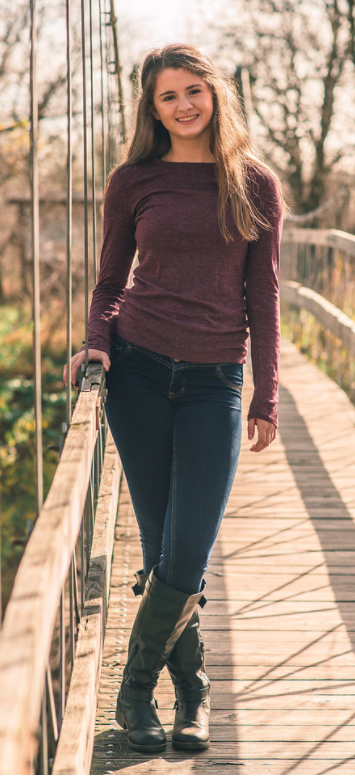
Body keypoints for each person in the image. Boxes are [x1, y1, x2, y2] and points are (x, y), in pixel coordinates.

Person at [64, 43, 285, 754]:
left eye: (194, 90)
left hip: (214, 380)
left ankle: (142, 691)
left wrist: (266, 392)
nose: (184, 104)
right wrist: (98, 341)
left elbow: (264, 291)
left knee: (184, 549)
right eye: (168, 96)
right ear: (151, 107)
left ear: (214, 93)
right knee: (163, 543)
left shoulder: (253, 183)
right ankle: (189, 696)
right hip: (136, 372)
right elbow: (107, 283)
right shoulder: (133, 180)